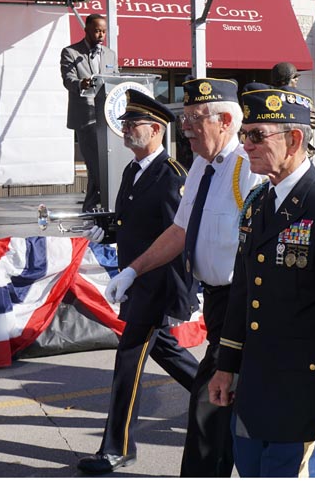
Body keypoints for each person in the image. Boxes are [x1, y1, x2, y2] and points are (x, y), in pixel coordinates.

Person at [208, 84, 315, 477]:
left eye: (256, 135)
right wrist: (225, 365)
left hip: (301, 396)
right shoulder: (259, 202)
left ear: (295, 139)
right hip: (254, 388)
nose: (245, 145)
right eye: (245, 134)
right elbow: (244, 294)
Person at [104, 77, 262, 477]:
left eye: (195, 117)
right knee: (224, 403)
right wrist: (132, 270)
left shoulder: (249, 170)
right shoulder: (200, 170)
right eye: (184, 116)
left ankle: (306, 452)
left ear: (225, 120)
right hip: (219, 304)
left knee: (214, 408)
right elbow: (179, 231)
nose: (186, 126)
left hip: (246, 305)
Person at [77, 90, 200, 474]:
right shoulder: (133, 170)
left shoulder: (172, 177)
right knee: (168, 354)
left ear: (156, 129)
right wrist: (107, 231)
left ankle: (117, 447)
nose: (126, 130)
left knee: (128, 360)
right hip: (136, 282)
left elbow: (177, 240)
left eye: (134, 124)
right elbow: (133, 224)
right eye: (126, 124)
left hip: (156, 286)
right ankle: (227, 397)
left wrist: (180, 299)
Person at [60, 14, 118, 212]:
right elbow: (68, 79)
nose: (101, 35)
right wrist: (80, 84)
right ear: (86, 30)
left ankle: (92, 206)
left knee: (103, 163)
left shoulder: (110, 54)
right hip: (85, 117)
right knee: (95, 163)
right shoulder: (70, 52)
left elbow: (115, 79)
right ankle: (103, 204)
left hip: (107, 116)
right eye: (96, 30)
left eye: (103, 31)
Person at [270, 62, 315, 163]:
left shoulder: (267, 97)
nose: (297, 79)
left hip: (275, 151)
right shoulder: (301, 100)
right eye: (294, 77)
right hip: (295, 151)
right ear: (285, 79)